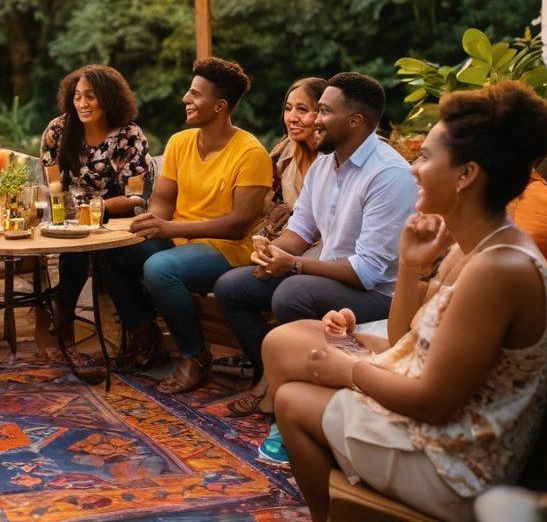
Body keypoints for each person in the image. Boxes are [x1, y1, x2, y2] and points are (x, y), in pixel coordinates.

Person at [268, 82, 547, 522]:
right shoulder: (474, 247)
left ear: (466, 175)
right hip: (435, 422)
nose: (412, 169)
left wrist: (347, 370)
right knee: (283, 343)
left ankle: (333, 513)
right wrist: (408, 266)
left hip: (457, 465)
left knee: (292, 399)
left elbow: (432, 402)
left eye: (425, 156)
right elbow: (402, 336)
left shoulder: (498, 269)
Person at [214, 72, 417, 415]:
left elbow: (366, 272)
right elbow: (301, 231)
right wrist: (271, 252)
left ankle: (291, 389)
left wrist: (291, 265)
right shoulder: (324, 165)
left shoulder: (388, 175)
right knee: (232, 286)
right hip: (327, 278)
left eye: (323, 111)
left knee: (292, 293)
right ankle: (270, 373)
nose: (314, 121)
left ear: (356, 121)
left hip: (378, 295)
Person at [125, 57, 273, 393]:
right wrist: (151, 221)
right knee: (118, 252)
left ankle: (195, 355)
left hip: (227, 249)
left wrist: (169, 229)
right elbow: (163, 199)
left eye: (195, 94)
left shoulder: (251, 154)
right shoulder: (180, 142)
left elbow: (237, 226)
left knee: (160, 269)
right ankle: (146, 339)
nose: (185, 99)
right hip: (180, 240)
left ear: (220, 106)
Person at [38, 65, 152, 358]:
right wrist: (68, 217)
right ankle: (68, 326)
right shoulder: (58, 131)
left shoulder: (128, 135)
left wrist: (93, 210)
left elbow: (135, 196)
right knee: (75, 250)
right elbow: (52, 186)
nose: (83, 104)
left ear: (109, 98)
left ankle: (132, 337)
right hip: (71, 220)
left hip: (117, 219)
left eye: (91, 96)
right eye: (77, 96)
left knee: (103, 258)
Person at [259, 77, 327, 236]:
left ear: (323, 114)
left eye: (302, 109)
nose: (292, 118)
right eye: (288, 109)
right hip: (291, 241)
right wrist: (276, 210)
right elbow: (262, 201)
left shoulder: (336, 159)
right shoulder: (282, 156)